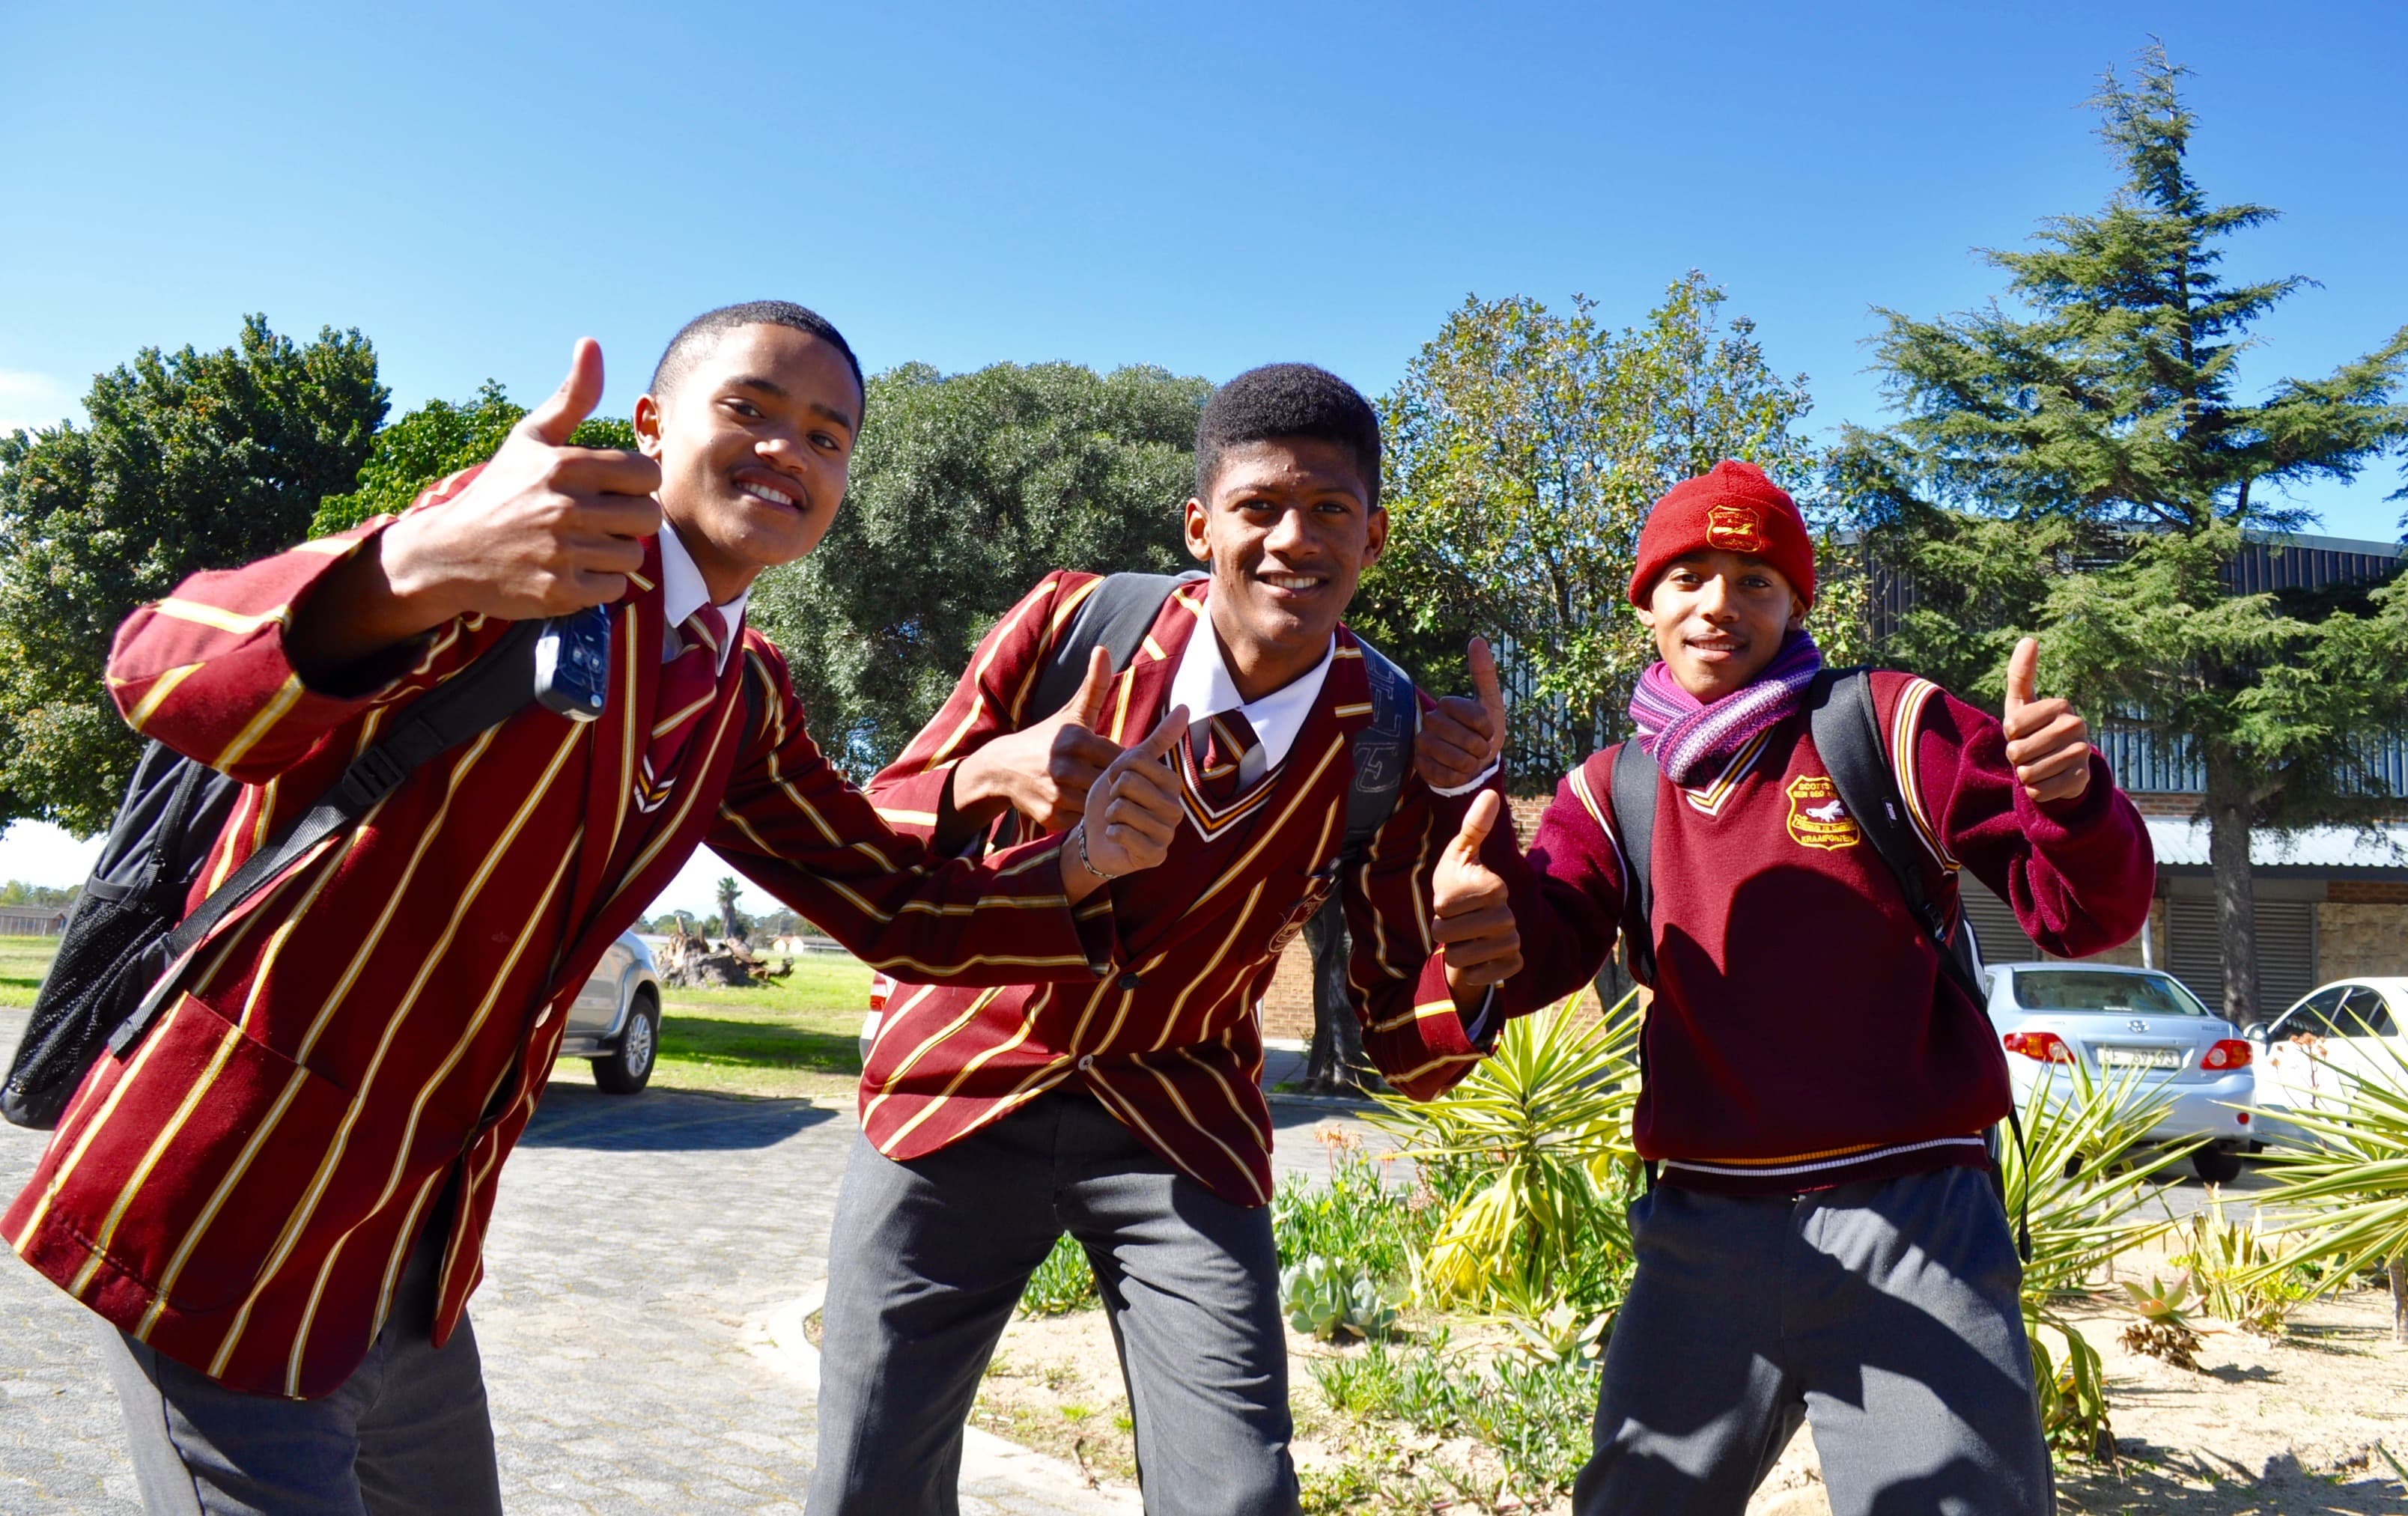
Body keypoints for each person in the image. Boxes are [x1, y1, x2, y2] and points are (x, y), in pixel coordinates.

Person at [3, 302, 1188, 1515]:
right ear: (652, 424)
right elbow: (158, 666)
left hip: (405, 1263)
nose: (791, 450)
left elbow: (896, 905)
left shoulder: (741, 688)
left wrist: (1078, 866)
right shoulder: (526, 539)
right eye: (751, 410)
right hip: (228, 1208)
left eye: (828, 437)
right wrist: (424, 563)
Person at [807, 363, 1525, 1516]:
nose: (1295, 538)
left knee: (1236, 1494)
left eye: (1331, 510)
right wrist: (996, 767)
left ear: (1375, 536)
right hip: (958, 1085)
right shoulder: (1073, 622)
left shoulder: (1386, 739)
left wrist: (1475, 962)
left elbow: (1411, 1045)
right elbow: (871, 839)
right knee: (867, 1487)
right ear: (1201, 525)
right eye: (1259, 508)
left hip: (1178, 1119)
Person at [1491, 460, 2153, 1515]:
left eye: (1755, 579)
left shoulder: (1884, 726)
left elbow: (2083, 914)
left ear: (1798, 603)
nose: (1719, 604)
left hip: (1912, 1221)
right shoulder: (1610, 786)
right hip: (1700, 1230)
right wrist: (1465, 873)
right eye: (1689, 576)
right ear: (1646, 602)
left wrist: (2069, 802)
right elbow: (1529, 953)